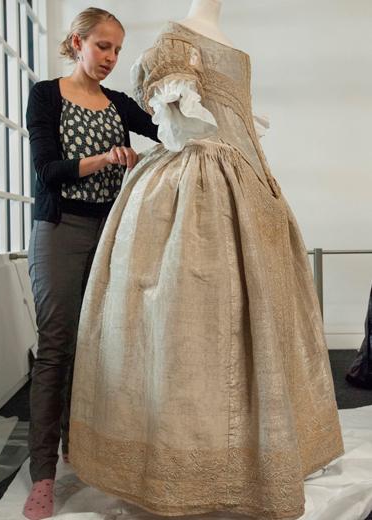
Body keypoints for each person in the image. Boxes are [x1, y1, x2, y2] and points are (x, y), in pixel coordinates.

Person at [69, 1, 344, 519]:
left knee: (246, 329)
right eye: (101, 46)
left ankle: (249, 453)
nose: (108, 54)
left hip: (250, 190)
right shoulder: (175, 41)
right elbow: (179, 128)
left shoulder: (217, 37)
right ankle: (179, 459)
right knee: (187, 331)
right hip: (198, 190)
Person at [23, 7, 158, 520]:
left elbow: (170, 132)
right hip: (59, 229)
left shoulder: (121, 105)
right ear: (77, 42)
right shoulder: (46, 94)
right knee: (56, 346)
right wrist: (108, 158)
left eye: (118, 50)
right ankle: (42, 477)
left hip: (111, 234)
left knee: (98, 348)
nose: (111, 58)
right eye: (103, 46)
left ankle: (78, 447)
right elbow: (46, 170)